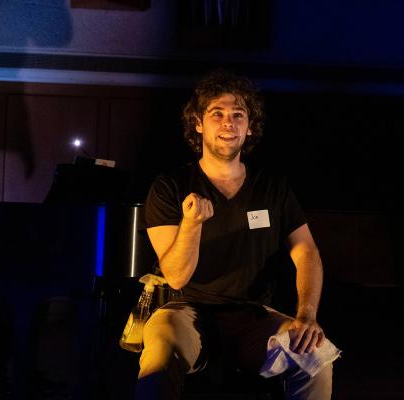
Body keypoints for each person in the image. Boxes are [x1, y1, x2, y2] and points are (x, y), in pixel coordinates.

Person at [136, 69, 334, 399]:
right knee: (158, 362)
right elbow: (177, 276)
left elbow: (307, 252)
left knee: (316, 355)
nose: (228, 123)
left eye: (238, 115)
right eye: (217, 114)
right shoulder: (170, 186)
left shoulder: (273, 188)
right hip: (184, 311)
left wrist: (306, 316)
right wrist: (191, 224)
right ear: (198, 124)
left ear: (249, 127)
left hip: (254, 315)